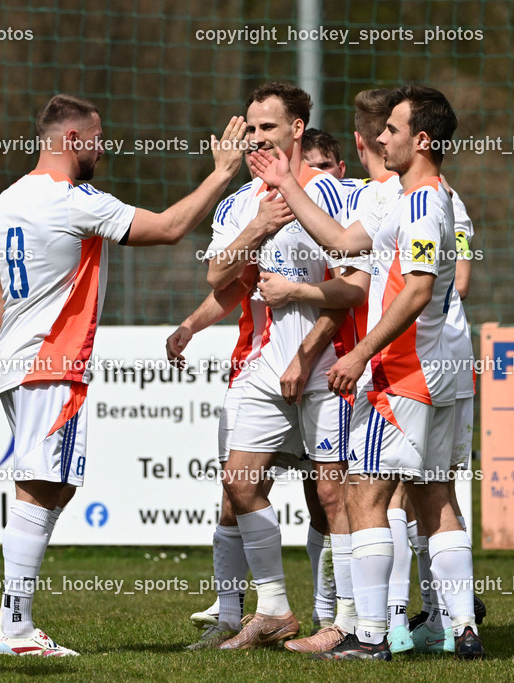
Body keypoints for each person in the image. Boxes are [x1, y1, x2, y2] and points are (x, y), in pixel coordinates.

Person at [0, 93, 246, 656]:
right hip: (51, 363)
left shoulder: (5, 202)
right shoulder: (75, 200)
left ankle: (9, 609)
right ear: (73, 140)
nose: (104, 148)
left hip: (15, 361)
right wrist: (221, 173)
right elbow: (171, 228)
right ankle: (17, 627)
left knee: (59, 482)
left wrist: (18, 350)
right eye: (98, 138)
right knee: (39, 486)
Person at [250, 85, 483, 661]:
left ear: (422, 140)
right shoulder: (406, 198)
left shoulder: (424, 202)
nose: (381, 138)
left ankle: (371, 634)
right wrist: (285, 183)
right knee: (435, 495)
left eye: (394, 130)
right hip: (445, 369)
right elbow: (339, 239)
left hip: (408, 371)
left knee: (365, 492)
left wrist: (359, 354)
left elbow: (420, 293)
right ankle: (459, 626)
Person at [204, 81, 356, 652]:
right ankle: (272, 610)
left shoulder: (335, 194)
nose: (255, 137)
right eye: (250, 126)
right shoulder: (239, 202)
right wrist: (257, 228)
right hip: (264, 364)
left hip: (326, 362)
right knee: (241, 482)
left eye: (268, 127)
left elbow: (353, 290)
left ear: (296, 130)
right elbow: (218, 278)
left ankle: (346, 621)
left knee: (334, 496)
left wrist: (308, 352)